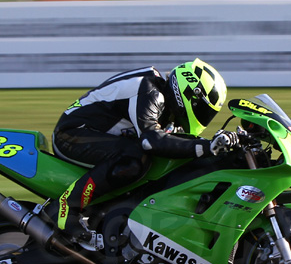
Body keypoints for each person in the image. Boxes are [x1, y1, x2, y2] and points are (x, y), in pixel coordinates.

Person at [49, 58, 239, 244]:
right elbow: (151, 141)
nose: (204, 118)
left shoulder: (165, 106)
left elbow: (177, 143)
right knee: (134, 159)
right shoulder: (150, 90)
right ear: (190, 94)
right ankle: (67, 207)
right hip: (72, 134)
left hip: (96, 137)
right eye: (203, 111)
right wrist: (207, 147)